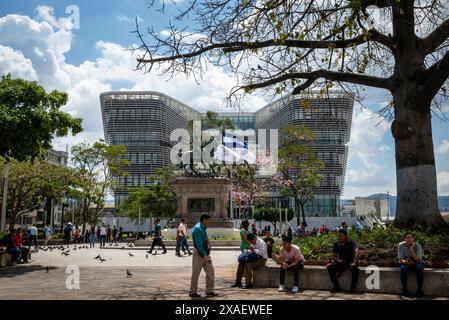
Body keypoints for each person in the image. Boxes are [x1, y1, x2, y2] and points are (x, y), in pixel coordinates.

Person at [189, 214, 217, 298]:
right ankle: (192, 292)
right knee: (196, 273)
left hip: (205, 253)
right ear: (204, 220)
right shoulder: (197, 229)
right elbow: (199, 245)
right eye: (208, 220)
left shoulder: (203, 227)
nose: (209, 222)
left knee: (210, 271)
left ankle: (209, 290)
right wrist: (205, 255)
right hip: (199, 253)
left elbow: (205, 240)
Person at [326, 228, 359, 293]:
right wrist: (336, 260)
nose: (339, 237)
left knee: (354, 268)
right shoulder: (336, 244)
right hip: (341, 262)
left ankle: (352, 288)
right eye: (338, 235)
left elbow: (357, 251)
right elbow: (334, 256)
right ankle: (336, 286)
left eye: (340, 235)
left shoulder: (351, 242)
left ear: (346, 236)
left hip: (350, 262)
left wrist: (354, 262)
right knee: (330, 267)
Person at [398, 232, 425, 297]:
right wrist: (405, 262)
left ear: (413, 239)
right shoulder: (401, 245)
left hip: (416, 262)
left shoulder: (418, 245)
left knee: (419, 268)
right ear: (404, 238)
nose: (409, 239)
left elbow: (418, 260)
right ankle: (405, 289)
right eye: (407, 237)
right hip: (406, 263)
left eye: (410, 237)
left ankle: (420, 290)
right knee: (403, 269)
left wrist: (411, 250)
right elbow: (401, 259)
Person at [230, 220, 250, 288]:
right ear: (246, 224)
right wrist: (251, 244)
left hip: (246, 246)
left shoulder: (244, 230)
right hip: (245, 246)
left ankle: (239, 280)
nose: (248, 225)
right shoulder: (242, 230)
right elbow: (246, 239)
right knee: (243, 261)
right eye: (248, 224)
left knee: (243, 263)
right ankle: (241, 280)